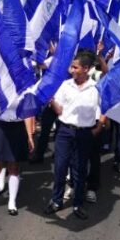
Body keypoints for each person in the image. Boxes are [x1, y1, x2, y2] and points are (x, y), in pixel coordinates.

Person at [43, 50, 103, 220]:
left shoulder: (96, 88)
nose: (72, 70)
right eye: (72, 67)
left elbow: (102, 109)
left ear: (85, 69)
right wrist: (52, 100)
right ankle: (56, 201)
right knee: (60, 167)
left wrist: (99, 126)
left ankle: (77, 204)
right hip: (64, 132)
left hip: (84, 134)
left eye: (75, 67)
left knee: (80, 170)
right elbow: (59, 109)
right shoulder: (65, 85)